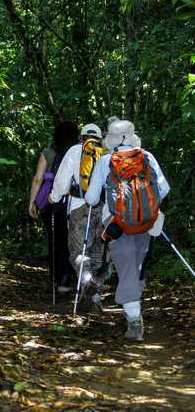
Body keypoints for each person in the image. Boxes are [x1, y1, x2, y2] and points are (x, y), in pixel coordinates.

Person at [85, 117, 170, 341]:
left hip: (116, 224)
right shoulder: (147, 157)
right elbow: (164, 188)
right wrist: (145, 207)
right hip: (145, 222)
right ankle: (134, 306)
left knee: (126, 266)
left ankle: (134, 320)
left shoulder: (105, 161)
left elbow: (92, 198)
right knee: (137, 266)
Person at [49, 123, 108, 308]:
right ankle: (95, 295)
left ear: (81, 137)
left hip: (78, 206)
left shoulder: (75, 150)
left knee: (78, 251)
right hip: (104, 208)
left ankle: (87, 279)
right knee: (98, 251)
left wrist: (53, 197)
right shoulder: (107, 153)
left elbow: (61, 180)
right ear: (100, 137)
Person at [29, 121, 78, 292]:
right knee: (71, 240)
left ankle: (56, 278)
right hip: (73, 202)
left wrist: (33, 202)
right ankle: (68, 279)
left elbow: (38, 178)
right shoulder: (79, 152)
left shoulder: (48, 153)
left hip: (50, 202)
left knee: (55, 240)